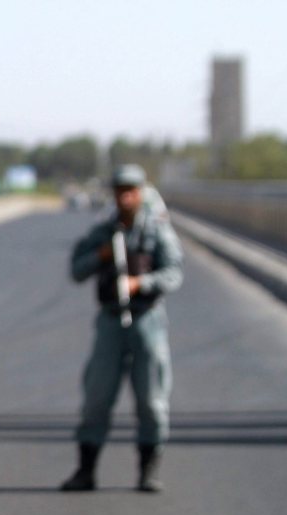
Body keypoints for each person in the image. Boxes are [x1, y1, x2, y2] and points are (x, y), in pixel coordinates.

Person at [60, 164, 183, 493]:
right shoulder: (104, 231)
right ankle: (86, 469)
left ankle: (148, 469)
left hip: (146, 319)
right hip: (111, 321)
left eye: (132, 190)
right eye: (120, 190)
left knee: (151, 399)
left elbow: (174, 273)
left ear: (141, 192)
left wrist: (140, 283)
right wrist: (100, 256)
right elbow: (76, 269)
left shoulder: (157, 231)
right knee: (96, 396)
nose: (126, 197)